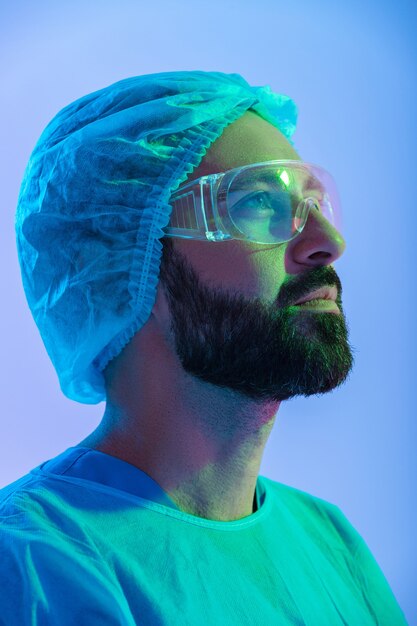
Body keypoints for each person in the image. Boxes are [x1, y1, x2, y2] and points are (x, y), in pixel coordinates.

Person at [1, 71, 408, 624]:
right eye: (260, 202)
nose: (328, 244)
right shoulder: (36, 563)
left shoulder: (328, 536)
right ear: (128, 259)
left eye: (315, 204)